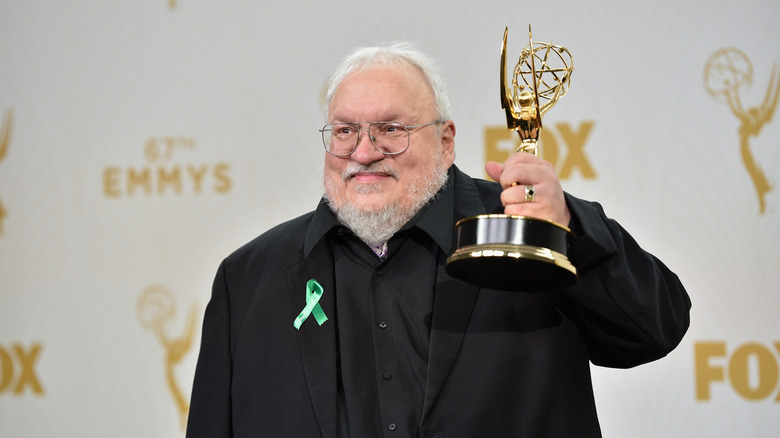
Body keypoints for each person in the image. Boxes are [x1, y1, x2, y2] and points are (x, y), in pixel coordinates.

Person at [185, 43, 691, 438]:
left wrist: (571, 229)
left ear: (446, 140)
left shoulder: (525, 227)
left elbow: (654, 329)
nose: (364, 152)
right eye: (344, 131)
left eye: (390, 129)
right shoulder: (250, 277)